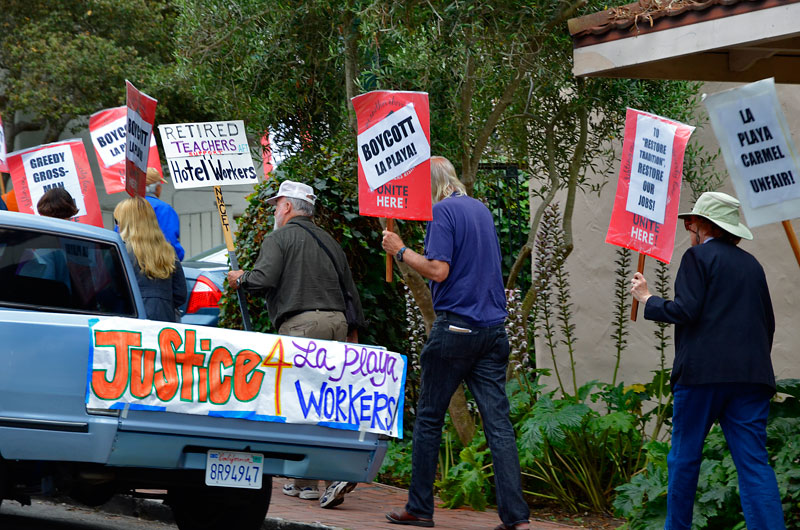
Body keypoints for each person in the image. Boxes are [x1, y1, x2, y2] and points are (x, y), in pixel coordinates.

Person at [381, 156, 530, 530]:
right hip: (493, 331)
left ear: (430, 186)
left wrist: (400, 249)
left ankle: (419, 508)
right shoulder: (480, 210)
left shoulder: (442, 212)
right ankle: (516, 519)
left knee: (429, 418)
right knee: (498, 425)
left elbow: (439, 269)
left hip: (457, 331)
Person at [630, 191, 785, 530]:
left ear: (701, 225)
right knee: (754, 464)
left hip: (701, 376)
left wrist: (647, 298)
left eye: (690, 223)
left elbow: (686, 311)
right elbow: (767, 324)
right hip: (751, 377)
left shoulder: (697, 258)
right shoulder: (753, 265)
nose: (688, 229)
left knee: (684, 459)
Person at [227, 179, 364, 509]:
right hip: (337, 325)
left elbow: (262, 280)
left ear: (287, 206)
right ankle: (305, 481)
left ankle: (330, 477)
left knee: (298, 403)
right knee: (329, 401)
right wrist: (353, 334)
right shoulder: (331, 242)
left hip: (302, 327)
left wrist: (239, 278)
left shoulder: (280, 238)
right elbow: (350, 292)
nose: (275, 210)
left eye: (277, 204)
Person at [114, 197, 187, 323]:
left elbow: (107, 292)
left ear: (126, 222)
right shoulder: (168, 251)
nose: (117, 224)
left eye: (117, 220)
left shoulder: (119, 250)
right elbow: (180, 294)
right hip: (163, 323)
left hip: (128, 323)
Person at [144, 167, 184, 261]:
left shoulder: (125, 207)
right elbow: (170, 241)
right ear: (157, 187)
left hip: (127, 267)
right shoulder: (164, 209)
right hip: (156, 265)